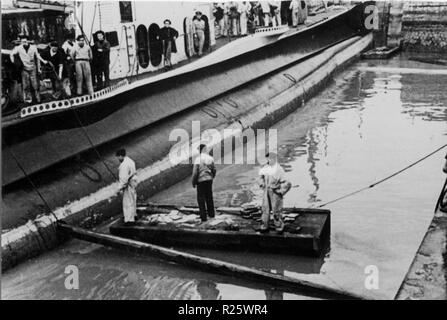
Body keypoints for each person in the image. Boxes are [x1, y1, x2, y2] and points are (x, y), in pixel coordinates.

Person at [259, 152, 291, 233]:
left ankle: (279, 227)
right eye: (267, 158)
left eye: (270, 158)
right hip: (266, 192)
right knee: (265, 209)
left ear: (274, 159)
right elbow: (260, 177)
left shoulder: (279, 169)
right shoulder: (264, 168)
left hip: (275, 193)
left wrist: (281, 191)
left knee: (276, 210)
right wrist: (261, 184)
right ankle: (265, 225)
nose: (269, 160)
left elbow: (287, 183)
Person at [10, 35, 46, 103]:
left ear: (28, 41)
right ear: (21, 42)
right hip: (24, 68)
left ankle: (38, 98)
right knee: (26, 85)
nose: (24, 43)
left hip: (32, 68)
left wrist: (43, 61)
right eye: (23, 42)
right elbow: (11, 54)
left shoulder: (33, 47)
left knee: (35, 84)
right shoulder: (18, 48)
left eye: (25, 41)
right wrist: (14, 62)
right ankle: (28, 100)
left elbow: (37, 55)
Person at [192, 144, 216, 222]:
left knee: (201, 198)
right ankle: (211, 214)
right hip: (209, 180)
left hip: (201, 181)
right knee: (209, 197)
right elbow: (214, 170)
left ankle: (203, 217)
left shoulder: (198, 159)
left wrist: (193, 182)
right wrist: (212, 177)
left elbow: (195, 173)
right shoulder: (211, 158)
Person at [116, 149, 138, 225]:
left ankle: (129, 220)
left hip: (129, 183)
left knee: (127, 202)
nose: (118, 159)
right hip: (134, 181)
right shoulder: (130, 161)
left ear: (120, 156)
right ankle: (134, 215)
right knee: (133, 199)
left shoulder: (123, 165)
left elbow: (123, 180)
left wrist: (118, 189)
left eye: (118, 157)